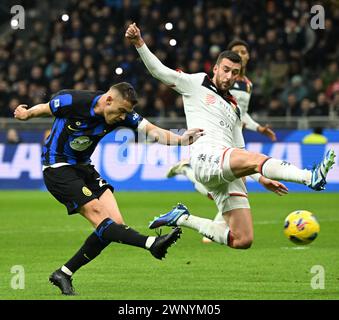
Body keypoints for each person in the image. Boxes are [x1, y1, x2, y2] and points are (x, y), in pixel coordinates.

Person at [126, 23, 336, 249]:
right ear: (215, 68)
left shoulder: (235, 108)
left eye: (234, 73)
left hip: (226, 165)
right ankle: (309, 177)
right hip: (207, 156)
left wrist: (261, 178)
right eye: (225, 70)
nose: (229, 76)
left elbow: (241, 150)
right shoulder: (197, 83)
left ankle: (182, 218)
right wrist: (139, 43)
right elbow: (160, 71)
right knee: (256, 159)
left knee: (242, 239)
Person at [14, 82, 204, 295]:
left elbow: (151, 131)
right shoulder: (72, 100)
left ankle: (64, 273)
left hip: (84, 168)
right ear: (108, 100)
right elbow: (46, 108)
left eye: (127, 113)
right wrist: (26, 114)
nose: (123, 117)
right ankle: (152, 243)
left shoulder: (123, 114)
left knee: (115, 226)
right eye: (121, 111)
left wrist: (181, 140)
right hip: (57, 167)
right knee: (100, 217)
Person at [166, 40, 278, 243]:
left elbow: (241, 114)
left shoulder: (247, 85)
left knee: (229, 188)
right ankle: (186, 172)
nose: (241, 55)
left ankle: (217, 222)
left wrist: (258, 128)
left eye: (244, 52)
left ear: (248, 58)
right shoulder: (222, 82)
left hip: (235, 137)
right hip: (216, 140)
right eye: (237, 52)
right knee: (217, 189)